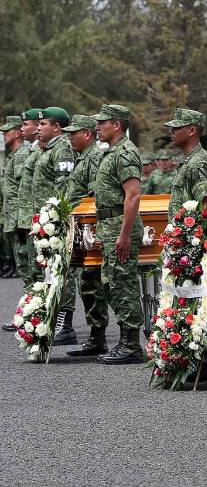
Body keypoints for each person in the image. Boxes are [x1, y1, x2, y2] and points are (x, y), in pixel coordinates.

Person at [91, 105, 146, 365]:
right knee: (111, 284)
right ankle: (125, 339)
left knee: (123, 285)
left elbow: (133, 195)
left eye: (102, 123)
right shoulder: (110, 152)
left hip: (120, 227)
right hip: (110, 226)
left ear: (116, 125)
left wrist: (124, 234)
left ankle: (132, 344)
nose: (97, 127)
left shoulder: (125, 152)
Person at [28, 107, 78, 344]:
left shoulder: (63, 149)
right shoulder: (46, 149)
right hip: (45, 221)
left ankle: (65, 325)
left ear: (56, 127)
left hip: (56, 221)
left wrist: (54, 218)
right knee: (49, 271)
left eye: (43, 124)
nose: (38, 128)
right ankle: (54, 317)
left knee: (62, 271)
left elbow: (63, 187)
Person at [62, 115, 108, 357]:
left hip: (91, 230)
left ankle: (102, 337)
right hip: (80, 230)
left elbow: (93, 196)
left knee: (94, 284)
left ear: (87, 134)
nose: (69, 137)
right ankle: (96, 338)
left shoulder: (95, 158)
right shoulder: (83, 158)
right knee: (87, 285)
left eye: (73, 133)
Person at [1, 113, 32, 311]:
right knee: (23, 269)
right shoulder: (13, 156)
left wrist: (23, 222)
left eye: (7, 131)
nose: (4, 134)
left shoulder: (21, 156)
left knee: (28, 270)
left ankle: (33, 314)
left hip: (21, 220)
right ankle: (29, 313)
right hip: (13, 219)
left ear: (18, 132)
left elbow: (25, 191)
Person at [15, 108, 45, 289]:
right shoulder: (32, 151)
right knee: (31, 269)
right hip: (28, 219)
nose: (22, 129)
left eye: (26, 124)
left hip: (40, 219)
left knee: (41, 269)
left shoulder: (42, 151)